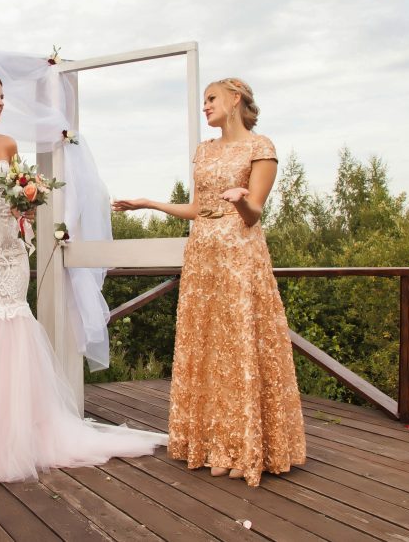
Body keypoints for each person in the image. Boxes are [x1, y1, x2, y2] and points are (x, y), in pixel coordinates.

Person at [0, 71, 166, 484]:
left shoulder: (8, 145)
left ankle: (20, 435)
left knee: (14, 326)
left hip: (10, 252)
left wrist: (25, 208)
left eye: (2, 96)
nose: (1, 103)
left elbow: (17, 194)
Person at [113, 78, 305, 487]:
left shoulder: (260, 147)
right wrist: (149, 203)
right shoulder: (204, 151)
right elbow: (198, 208)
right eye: (203, 101)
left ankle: (246, 448)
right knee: (208, 346)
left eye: (211, 99)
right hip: (203, 252)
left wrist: (239, 200)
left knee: (238, 344)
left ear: (235, 100)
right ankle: (213, 443)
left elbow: (253, 213)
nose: (206, 106)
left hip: (239, 252)